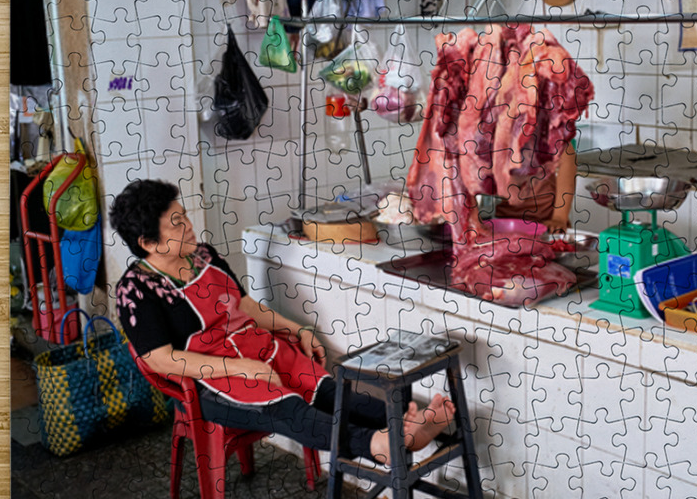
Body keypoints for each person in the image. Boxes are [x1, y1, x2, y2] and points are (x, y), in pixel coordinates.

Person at [110, 179, 453, 467]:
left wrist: (296, 329)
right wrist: (242, 369)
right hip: (213, 382)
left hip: (260, 350)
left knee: (329, 391)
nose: (189, 226)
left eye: (184, 216)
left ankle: (408, 423)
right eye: (176, 223)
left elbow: (244, 304)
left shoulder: (205, 255)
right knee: (288, 409)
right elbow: (160, 359)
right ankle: (380, 445)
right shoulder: (135, 290)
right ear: (148, 243)